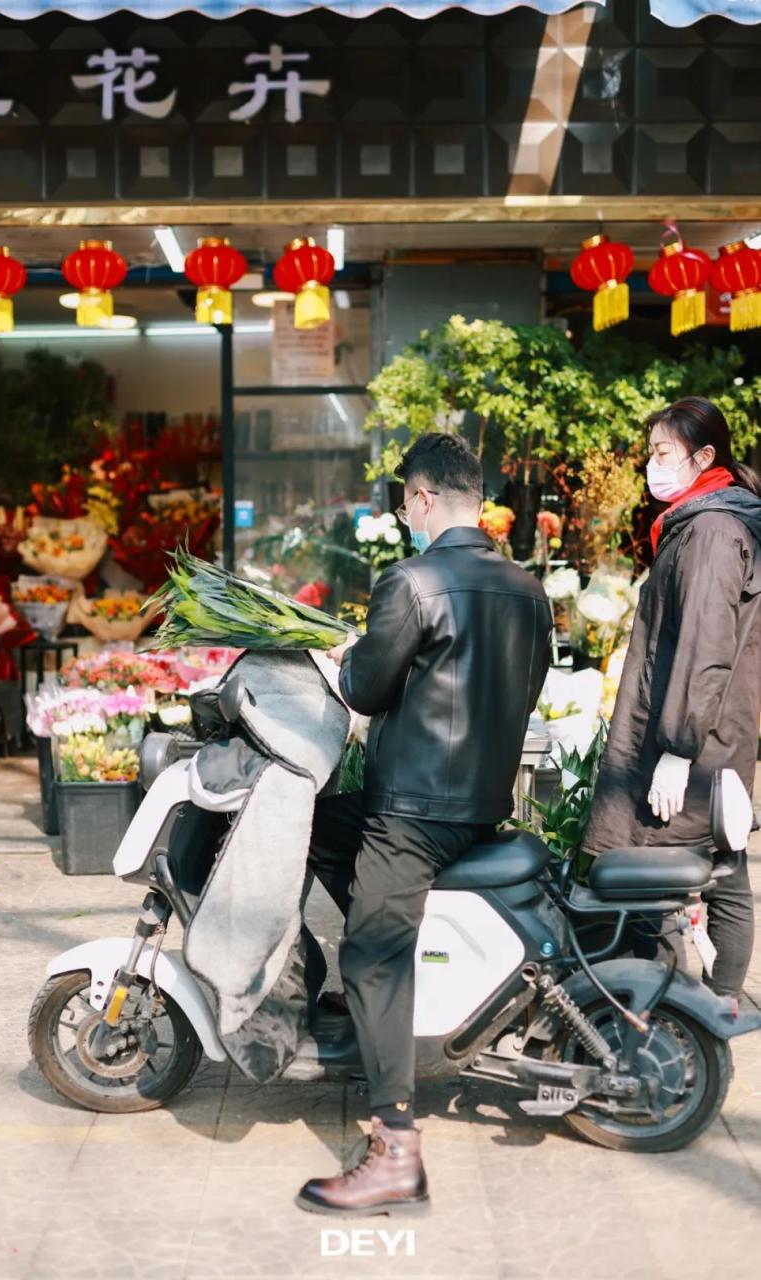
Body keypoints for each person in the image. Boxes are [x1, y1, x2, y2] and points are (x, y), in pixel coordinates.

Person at [295, 433, 552, 1216]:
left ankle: (394, 1150)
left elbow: (366, 689)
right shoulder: (527, 590)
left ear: (420, 499)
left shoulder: (409, 582)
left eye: (405, 501)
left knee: (372, 955)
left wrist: (343, 656)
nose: (404, 514)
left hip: (411, 814)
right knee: (311, 825)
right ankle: (366, 1008)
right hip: (478, 804)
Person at [584, 396, 761, 998]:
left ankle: (699, 1013)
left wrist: (679, 748)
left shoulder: (712, 530)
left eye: (663, 453)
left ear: (704, 456)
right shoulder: (702, 523)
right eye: (651, 454)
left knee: (684, 873)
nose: (651, 466)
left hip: (698, 739)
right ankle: (702, 1012)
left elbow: (706, 644)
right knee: (716, 868)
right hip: (709, 729)